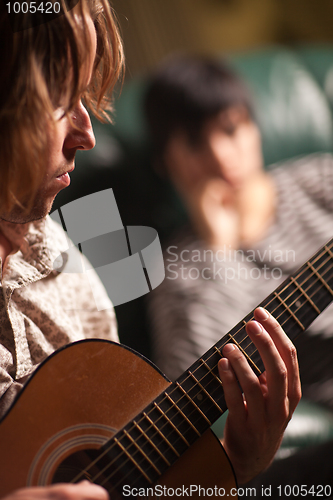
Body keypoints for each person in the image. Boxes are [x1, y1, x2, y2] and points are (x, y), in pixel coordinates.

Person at [0, 3, 301, 499]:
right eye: (58, 102)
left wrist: (235, 466)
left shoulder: (65, 268)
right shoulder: (180, 274)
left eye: (85, 99)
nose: (88, 135)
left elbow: (126, 478)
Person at [144, 55, 333, 413]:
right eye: (196, 142)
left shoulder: (322, 181)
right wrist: (219, 249)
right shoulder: (177, 269)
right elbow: (195, 400)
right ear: (163, 163)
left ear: (256, 129)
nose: (220, 156)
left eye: (231, 130)